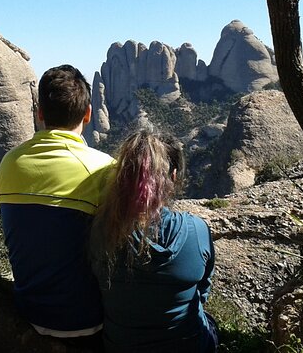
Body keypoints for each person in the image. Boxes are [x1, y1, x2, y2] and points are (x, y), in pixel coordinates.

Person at [0, 65, 114, 344]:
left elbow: (9, 217)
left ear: (40, 114)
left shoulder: (10, 162)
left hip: (28, 312)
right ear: (88, 114)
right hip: (91, 320)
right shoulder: (105, 169)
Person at [90, 129, 218, 353]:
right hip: (190, 347)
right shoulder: (197, 230)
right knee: (211, 325)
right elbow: (203, 292)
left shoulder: (99, 230)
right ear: (174, 176)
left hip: (119, 347)